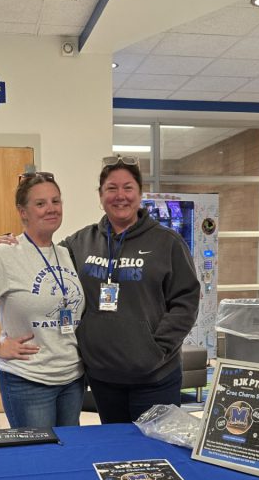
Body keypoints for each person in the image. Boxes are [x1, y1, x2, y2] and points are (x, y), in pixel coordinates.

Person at [63, 155, 200, 422]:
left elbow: (186, 302)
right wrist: (16, 245)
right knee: (118, 453)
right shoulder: (80, 242)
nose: (120, 196)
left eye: (128, 187)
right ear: (100, 195)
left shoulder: (167, 242)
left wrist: (156, 349)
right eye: (111, 188)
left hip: (154, 376)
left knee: (157, 454)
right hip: (104, 377)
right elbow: (44, 261)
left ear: (140, 193)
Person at [0, 171, 85, 428]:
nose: (51, 209)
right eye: (40, 203)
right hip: (28, 379)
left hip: (71, 377)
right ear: (23, 212)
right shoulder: (7, 254)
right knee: (37, 458)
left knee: (68, 455)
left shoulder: (67, 253)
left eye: (56, 201)